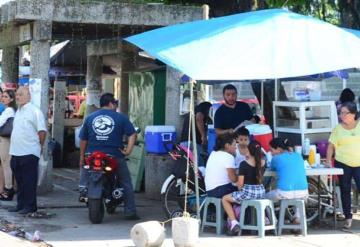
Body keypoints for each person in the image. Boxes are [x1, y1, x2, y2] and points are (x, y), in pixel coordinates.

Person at [79, 93, 139, 220]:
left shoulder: (90, 118)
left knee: (86, 172)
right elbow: (133, 135)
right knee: (126, 182)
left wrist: (82, 157)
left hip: (92, 155)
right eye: (115, 103)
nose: (116, 106)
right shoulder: (120, 118)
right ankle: (130, 211)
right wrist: (128, 151)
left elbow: (83, 140)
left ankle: (83, 189)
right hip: (114, 154)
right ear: (111, 103)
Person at [8, 87, 47, 214]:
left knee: (29, 181)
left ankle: (30, 206)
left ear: (29, 96)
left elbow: (42, 131)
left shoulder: (35, 111)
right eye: (17, 95)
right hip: (16, 152)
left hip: (29, 152)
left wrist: (39, 147)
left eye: (21, 94)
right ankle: (20, 204)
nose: (18, 97)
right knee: (19, 181)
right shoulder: (18, 111)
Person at [326, 101, 360, 229]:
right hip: (343, 163)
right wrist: (328, 161)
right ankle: (348, 217)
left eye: (345, 113)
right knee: (345, 190)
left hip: (359, 163)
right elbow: (331, 146)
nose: (342, 115)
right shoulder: (338, 129)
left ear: (353, 114)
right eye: (341, 113)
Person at [222, 141, 266, 235]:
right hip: (260, 192)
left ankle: (234, 223)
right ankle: (265, 219)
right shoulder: (263, 162)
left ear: (249, 150)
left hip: (248, 193)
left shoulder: (244, 164)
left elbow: (240, 184)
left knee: (225, 199)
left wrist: (238, 191)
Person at [265, 138, 308, 224]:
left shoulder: (276, 159)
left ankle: (274, 221)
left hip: (284, 193)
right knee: (299, 198)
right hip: (304, 192)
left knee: (265, 198)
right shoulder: (298, 156)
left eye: (272, 150)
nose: (271, 153)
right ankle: (297, 218)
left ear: (279, 149)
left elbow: (270, 170)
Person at [204, 133, 237, 198]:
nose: (236, 147)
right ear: (227, 145)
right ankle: (239, 208)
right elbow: (233, 179)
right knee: (243, 190)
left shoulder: (213, 153)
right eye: (234, 145)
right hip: (221, 190)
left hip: (209, 191)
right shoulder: (228, 157)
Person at [180, 101, 212, 167]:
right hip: (193, 143)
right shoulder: (200, 110)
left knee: (187, 167)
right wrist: (203, 136)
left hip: (183, 143)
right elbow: (199, 118)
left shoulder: (192, 112)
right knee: (199, 168)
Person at [0, 90, 16, 201]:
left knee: (6, 164)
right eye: (3, 96)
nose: (3, 98)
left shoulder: (9, 110)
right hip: (6, 139)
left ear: (11, 99)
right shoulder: (9, 110)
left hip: (5, 140)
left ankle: (8, 189)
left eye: (6, 97)